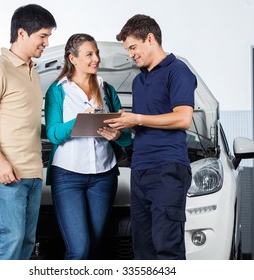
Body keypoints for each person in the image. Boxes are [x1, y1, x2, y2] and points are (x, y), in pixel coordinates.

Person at [105, 14, 197, 260]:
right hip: (141, 169)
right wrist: (121, 130)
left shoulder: (178, 71)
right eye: (128, 50)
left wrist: (136, 118)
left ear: (150, 38)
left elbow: (182, 118)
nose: (131, 54)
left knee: (167, 246)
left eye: (133, 47)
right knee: (143, 249)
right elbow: (146, 123)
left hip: (167, 169)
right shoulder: (139, 81)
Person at [0, 4, 56, 260]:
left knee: (27, 243)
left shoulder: (34, 73)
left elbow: (24, 122)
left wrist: (66, 128)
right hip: (7, 176)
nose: (47, 42)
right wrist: (0, 163)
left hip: (32, 173)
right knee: (10, 242)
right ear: (21, 33)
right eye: (42, 36)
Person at [44, 33, 132, 259]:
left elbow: (127, 137)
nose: (96, 59)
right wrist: (80, 120)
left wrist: (116, 136)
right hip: (67, 176)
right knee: (79, 249)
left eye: (97, 53)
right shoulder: (57, 90)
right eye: (89, 54)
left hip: (104, 177)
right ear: (72, 59)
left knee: (93, 248)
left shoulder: (107, 89)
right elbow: (53, 133)